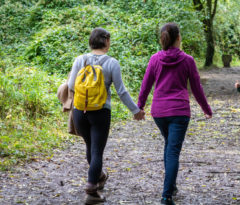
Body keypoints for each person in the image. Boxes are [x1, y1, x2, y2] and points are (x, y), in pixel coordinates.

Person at [137, 23, 213, 205]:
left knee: (169, 146)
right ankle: (166, 196)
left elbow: (146, 85)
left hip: (159, 112)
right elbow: (196, 88)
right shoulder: (188, 60)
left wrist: (139, 106)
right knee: (172, 151)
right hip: (179, 112)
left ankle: (171, 185)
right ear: (178, 38)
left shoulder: (155, 59)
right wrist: (206, 109)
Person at [68, 28, 145, 204]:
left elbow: (72, 85)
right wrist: (136, 111)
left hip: (80, 111)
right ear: (106, 41)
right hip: (101, 112)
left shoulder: (80, 59)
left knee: (90, 147)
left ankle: (98, 176)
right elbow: (122, 92)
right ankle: (91, 189)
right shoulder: (112, 63)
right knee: (96, 151)